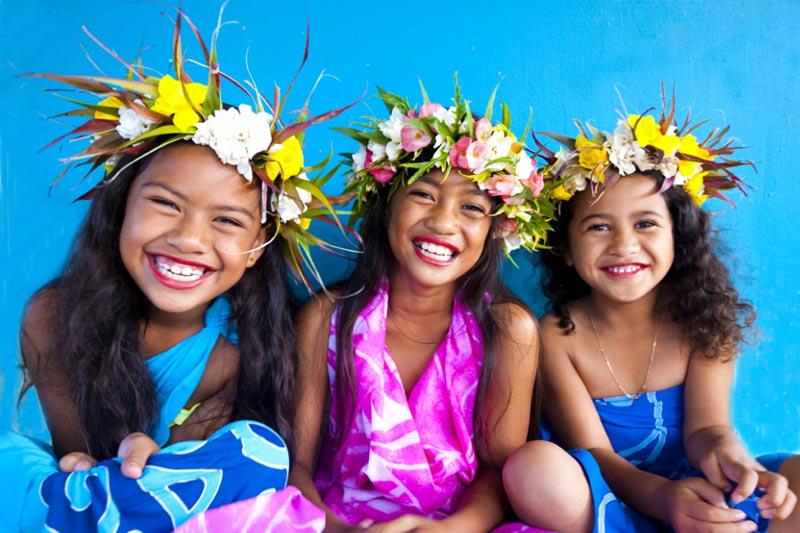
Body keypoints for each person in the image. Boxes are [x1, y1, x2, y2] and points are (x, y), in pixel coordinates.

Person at [1, 9, 347, 532]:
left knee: (262, 452)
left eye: (227, 221)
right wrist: (100, 465)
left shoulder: (239, 351)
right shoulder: (53, 316)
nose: (189, 239)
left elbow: (185, 482)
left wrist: (150, 458)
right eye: (165, 203)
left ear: (257, 248)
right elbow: (78, 459)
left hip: (164, 502)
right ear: (120, 207)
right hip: (84, 496)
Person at [503, 96, 800, 532]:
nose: (624, 245)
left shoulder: (704, 317)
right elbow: (596, 455)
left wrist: (736, 464)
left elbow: (708, 429)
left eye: (646, 224)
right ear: (566, 247)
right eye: (599, 226)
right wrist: (664, 501)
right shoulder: (556, 335)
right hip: (611, 498)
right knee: (533, 468)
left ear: (678, 236)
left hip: (699, 491)